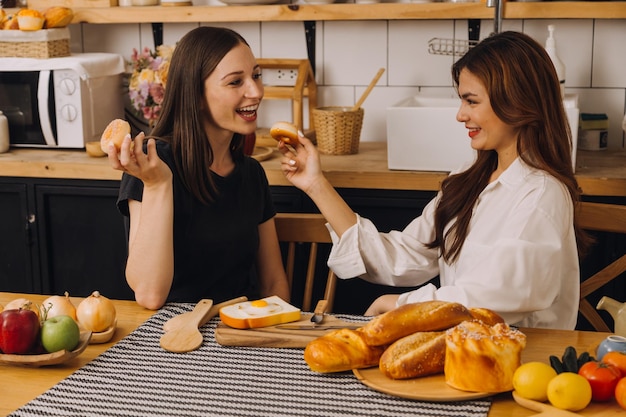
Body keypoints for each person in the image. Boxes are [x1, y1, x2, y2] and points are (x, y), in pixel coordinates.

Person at [277, 31, 592, 330]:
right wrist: (316, 184)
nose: (460, 115)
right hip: (465, 348)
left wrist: (405, 304)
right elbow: (403, 256)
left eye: (471, 101)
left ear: (517, 101)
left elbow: (503, 294)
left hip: (524, 361)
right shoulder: (469, 178)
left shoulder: (541, 194)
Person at [107, 26, 290, 310]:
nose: (255, 91)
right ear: (196, 94)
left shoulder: (252, 173)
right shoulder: (153, 163)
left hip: (240, 331)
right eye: (235, 82)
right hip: (170, 335)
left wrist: (272, 334)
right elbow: (149, 295)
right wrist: (158, 185)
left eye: (255, 76)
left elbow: (273, 284)